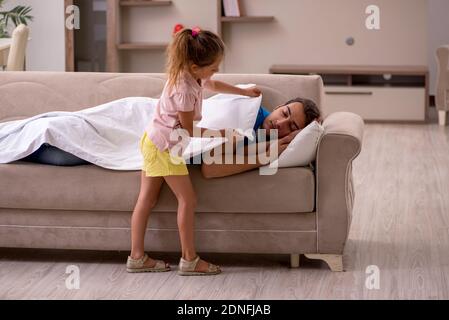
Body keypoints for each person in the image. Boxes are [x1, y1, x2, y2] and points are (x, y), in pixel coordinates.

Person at [126, 27, 261, 275]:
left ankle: (137, 258)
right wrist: (221, 134)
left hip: (154, 140)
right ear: (195, 66)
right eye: (213, 67)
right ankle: (189, 260)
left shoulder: (190, 74)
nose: (215, 71)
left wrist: (243, 92)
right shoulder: (185, 90)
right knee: (188, 199)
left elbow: (214, 84)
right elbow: (186, 132)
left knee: (147, 199)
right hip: (166, 146)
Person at [201, 97, 321, 178]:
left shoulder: (272, 141)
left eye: (291, 127)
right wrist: (265, 158)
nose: (279, 123)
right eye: (284, 113)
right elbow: (210, 167)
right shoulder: (250, 115)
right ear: (278, 107)